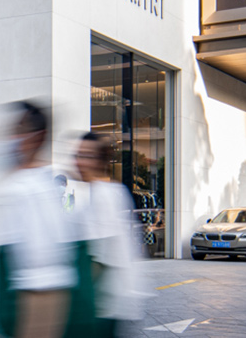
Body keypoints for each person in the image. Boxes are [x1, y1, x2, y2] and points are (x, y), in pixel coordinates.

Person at [0, 102, 77, 338]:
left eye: (18, 130)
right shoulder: (20, 183)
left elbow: (43, 256)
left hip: (37, 296)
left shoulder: (35, 186)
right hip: (24, 291)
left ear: (38, 137)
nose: (11, 138)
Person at [75, 132, 146, 337]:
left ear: (100, 160)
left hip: (105, 304)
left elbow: (98, 262)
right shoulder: (111, 191)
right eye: (78, 155)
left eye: (87, 156)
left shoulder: (102, 195)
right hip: (111, 302)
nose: (79, 162)